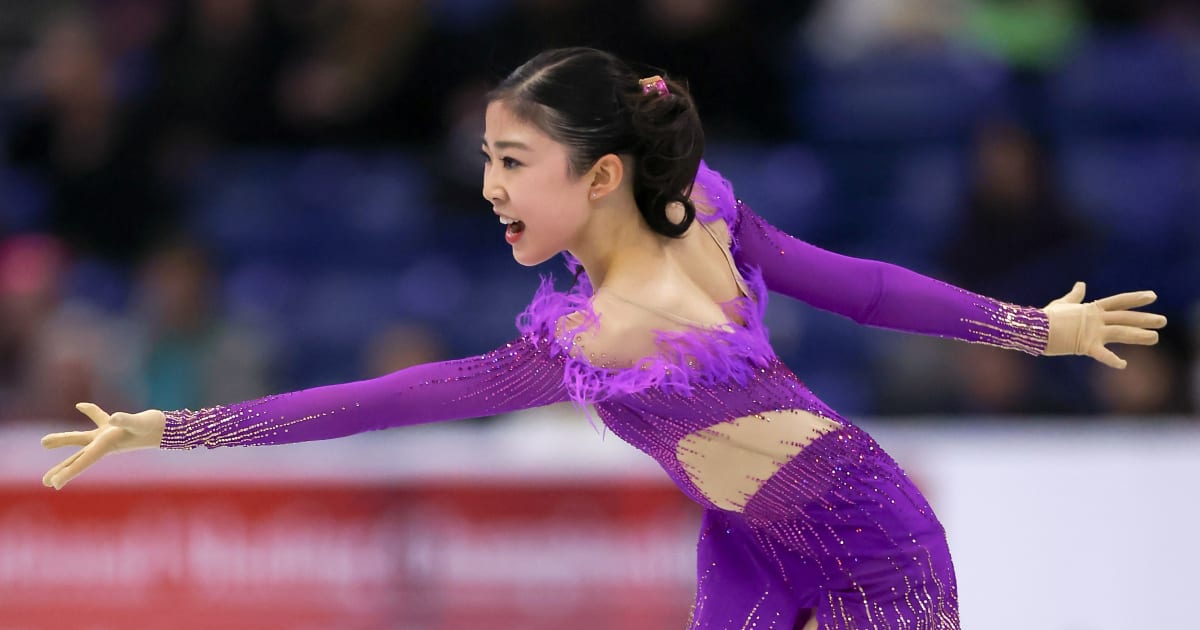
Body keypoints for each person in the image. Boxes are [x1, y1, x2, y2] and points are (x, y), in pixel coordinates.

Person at [39, 48, 1166, 629]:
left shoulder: (627, 314)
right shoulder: (661, 252)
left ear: (605, 171)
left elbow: (862, 288)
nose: (487, 188)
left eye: (513, 163)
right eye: (485, 158)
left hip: (876, 542)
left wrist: (1035, 324)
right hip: (748, 541)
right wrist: (176, 427)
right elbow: (388, 401)